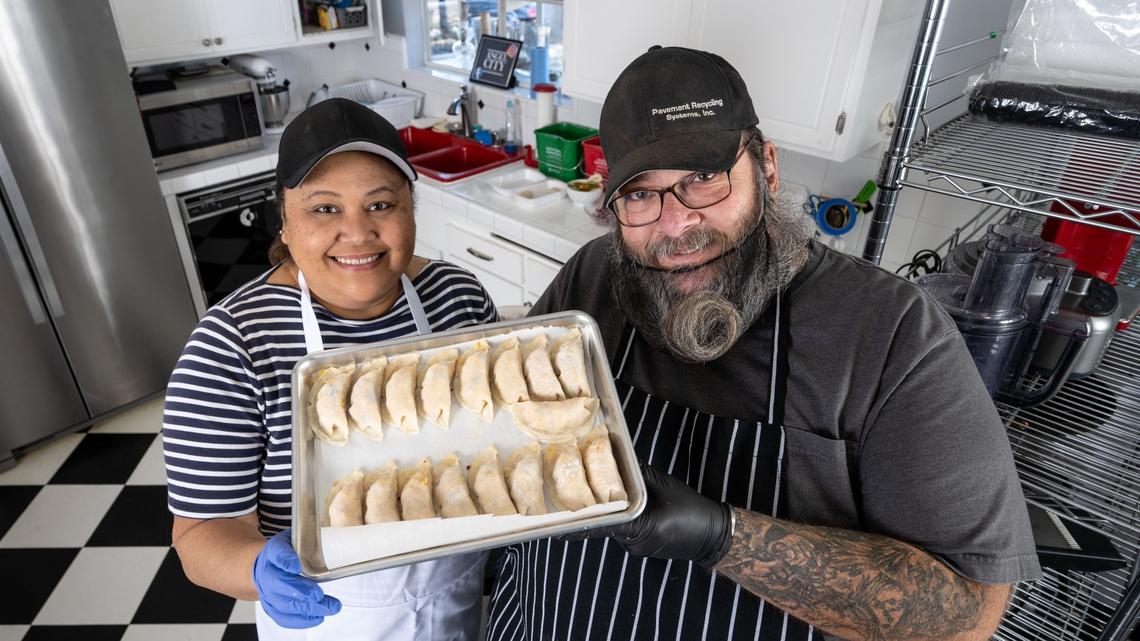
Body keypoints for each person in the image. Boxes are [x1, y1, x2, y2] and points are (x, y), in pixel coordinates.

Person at [485, 46, 1041, 641]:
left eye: (702, 178)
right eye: (641, 194)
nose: (675, 225)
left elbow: (964, 618)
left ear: (768, 169)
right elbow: (498, 420)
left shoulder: (891, 336)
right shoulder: (594, 276)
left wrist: (723, 535)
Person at [162, 98, 496, 640]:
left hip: (454, 603)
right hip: (330, 619)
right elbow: (202, 534)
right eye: (324, 209)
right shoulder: (232, 346)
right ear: (286, 222)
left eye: (381, 204)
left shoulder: (456, 297)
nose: (358, 233)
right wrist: (255, 570)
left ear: (410, 210)